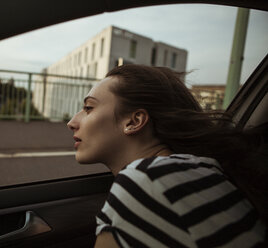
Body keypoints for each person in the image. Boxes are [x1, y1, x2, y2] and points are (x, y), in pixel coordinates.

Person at [67, 64, 267, 248]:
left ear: (134, 121)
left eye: (88, 108)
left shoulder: (147, 179)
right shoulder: (201, 171)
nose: (72, 122)